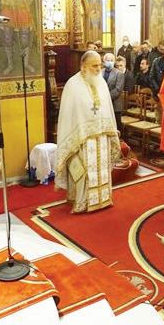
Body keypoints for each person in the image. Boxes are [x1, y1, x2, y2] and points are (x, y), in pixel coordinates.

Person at [56, 51, 120, 213]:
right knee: (84, 171)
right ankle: (82, 202)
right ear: (83, 66)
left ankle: (103, 199)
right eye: (94, 66)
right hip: (82, 139)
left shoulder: (101, 82)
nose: (98, 69)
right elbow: (68, 115)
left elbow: (107, 109)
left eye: (99, 65)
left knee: (101, 170)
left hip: (102, 136)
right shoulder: (72, 85)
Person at [102, 52, 125, 132]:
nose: (109, 62)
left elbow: (118, 89)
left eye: (111, 60)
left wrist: (106, 98)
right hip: (102, 104)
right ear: (104, 61)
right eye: (108, 60)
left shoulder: (119, 73)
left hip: (115, 104)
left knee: (117, 126)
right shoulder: (100, 72)